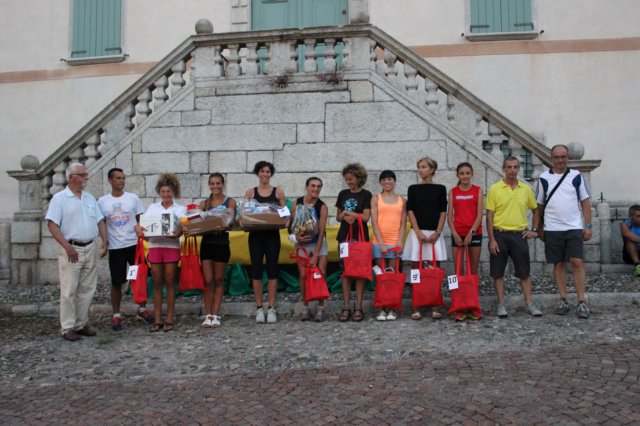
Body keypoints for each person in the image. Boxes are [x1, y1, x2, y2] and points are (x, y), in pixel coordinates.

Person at [45, 163, 108, 341]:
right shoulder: (60, 199)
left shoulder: (89, 198)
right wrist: (67, 246)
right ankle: (67, 327)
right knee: (69, 289)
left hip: (89, 247)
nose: (86, 177)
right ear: (72, 177)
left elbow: (99, 220)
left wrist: (105, 240)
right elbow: (52, 224)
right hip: (71, 248)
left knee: (87, 288)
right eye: (83, 174)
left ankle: (81, 323)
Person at [534, 144, 593, 319]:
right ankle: (563, 299)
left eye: (563, 157)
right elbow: (539, 205)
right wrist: (539, 227)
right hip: (552, 228)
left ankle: (581, 301)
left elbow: (585, 202)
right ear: (551, 158)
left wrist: (588, 225)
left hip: (573, 227)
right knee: (558, 263)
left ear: (568, 158)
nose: (560, 160)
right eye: (557, 157)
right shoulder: (544, 178)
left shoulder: (576, 176)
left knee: (577, 261)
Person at [486, 156, 542, 319]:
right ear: (503, 169)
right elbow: (489, 216)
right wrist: (492, 239)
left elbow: (535, 210)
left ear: (519, 169)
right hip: (500, 234)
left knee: (524, 272)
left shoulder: (525, 189)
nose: (512, 170)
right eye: (509, 167)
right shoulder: (495, 189)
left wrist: (534, 230)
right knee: (498, 272)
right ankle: (501, 305)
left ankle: (529, 303)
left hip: (519, 235)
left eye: (515, 167)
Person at [98, 168, 153, 331]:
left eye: (123, 178)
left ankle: (142, 309)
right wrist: (105, 241)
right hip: (116, 247)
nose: (121, 181)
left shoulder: (132, 198)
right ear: (110, 181)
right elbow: (101, 222)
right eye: (118, 178)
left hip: (134, 245)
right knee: (117, 282)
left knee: (140, 278)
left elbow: (140, 218)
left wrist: (143, 234)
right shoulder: (103, 201)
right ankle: (116, 315)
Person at [135, 173, 185, 332]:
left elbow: (183, 229)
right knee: (157, 282)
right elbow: (145, 227)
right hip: (155, 246)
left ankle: (169, 318)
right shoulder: (152, 208)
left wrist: (179, 232)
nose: (166, 194)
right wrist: (139, 229)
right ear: (159, 192)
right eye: (163, 191)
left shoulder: (180, 209)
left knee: (170, 281)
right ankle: (157, 318)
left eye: (168, 191)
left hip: (171, 246)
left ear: (173, 192)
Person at [402, 157, 447, 320]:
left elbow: (443, 211)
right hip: (418, 234)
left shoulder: (440, 189)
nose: (420, 170)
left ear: (432, 169)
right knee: (416, 269)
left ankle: (434, 305)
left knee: (434, 269)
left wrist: (438, 232)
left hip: (434, 234)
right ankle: (417, 305)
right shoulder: (413, 188)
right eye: (419, 167)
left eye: (424, 167)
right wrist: (417, 231)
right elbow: (410, 211)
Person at [244, 161, 286, 324]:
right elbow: (244, 214)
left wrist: (283, 219)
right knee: (256, 271)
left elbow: (285, 215)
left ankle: (272, 307)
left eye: (268, 172)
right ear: (257, 173)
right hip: (255, 236)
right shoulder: (250, 193)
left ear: (271, 174)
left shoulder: (278, 192)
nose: (265, 174)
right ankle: (259, 308)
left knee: (272, 270)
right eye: (262, 171)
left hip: (272, 236)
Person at [447, 162, 484, 321]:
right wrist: (455, 233)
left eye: (468, 173)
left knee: (473, 272)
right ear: (458, 175)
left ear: (471, 174)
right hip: (457, 234)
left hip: (474, 234)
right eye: (462, 173)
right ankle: (459, 306)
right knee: (458, 271)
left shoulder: (478, 190)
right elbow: (449, 216)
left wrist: (471, 233)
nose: (465, 176)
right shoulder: (453, 192)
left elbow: (479, 215)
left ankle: (473, 306)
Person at [198, 173, 236, 328]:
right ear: (209, 185)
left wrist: (224, 226)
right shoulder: (204, 204)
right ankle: (208, 315)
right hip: (207, 243)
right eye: (212, 183)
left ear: (222, 184)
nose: (215, 186)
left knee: (219, 279)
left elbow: (231, 223)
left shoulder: (230, 202)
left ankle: (215, 314)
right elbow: (197, 222)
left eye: (218, 183)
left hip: (221, 242)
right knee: (207, 280)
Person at [336, 163, 373, 322]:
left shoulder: (366, 195)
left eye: (350, 179)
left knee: (359, 272)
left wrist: (348, 213)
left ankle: (358, 306)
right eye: (346, 179)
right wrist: (345, 216)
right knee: (345, 272)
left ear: (358, 178)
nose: (348, 182)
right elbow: (338, 217)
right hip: (344, 238)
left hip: (360, 238)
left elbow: (365, 217)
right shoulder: (342, 194)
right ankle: (346, 306)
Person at [289, 177, 329, 322]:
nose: (315, 189)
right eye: (313, 186)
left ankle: (321, 307)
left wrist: (316, 254)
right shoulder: (296, 203)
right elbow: (290, 227)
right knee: (303, 275)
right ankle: (305, 307)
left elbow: (321, 232)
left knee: (321, 273)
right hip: (302, 244)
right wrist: (295, 238)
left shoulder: (322, 206)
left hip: (319, 243)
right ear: (307, 187)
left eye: (318, 186)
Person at [371, 170, 406, 321]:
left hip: (394, 243)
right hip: (379, 243)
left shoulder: (401, 200)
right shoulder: (376, 199)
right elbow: (374, 222)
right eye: (384, 179)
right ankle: (381, 308)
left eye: (390, 179)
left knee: (392, 276)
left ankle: (391, 307)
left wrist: (400, 241)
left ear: (394, 181)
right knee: (381, 277)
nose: (387, 182)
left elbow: (403, 223)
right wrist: (381, 243)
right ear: (380, 182)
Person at [620, 204, 640, 276]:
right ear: (631, 216)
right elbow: (626, 234)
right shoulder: (625, 224)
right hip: (630, 256)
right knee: (630, 239)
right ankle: (638, 266)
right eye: (638, 216)